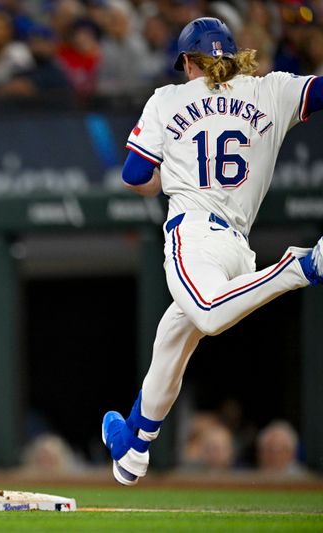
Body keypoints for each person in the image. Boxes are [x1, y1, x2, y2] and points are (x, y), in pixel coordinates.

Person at [100, 17, 323, 486]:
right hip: (237, 248)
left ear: (186, 61)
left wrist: (171, 177)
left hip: (195, 233)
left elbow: (136, 176)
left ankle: (303, 266)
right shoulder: (273, 89)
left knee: (205, 312)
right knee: (171, 337)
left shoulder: (168, 98)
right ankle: (135, 446)